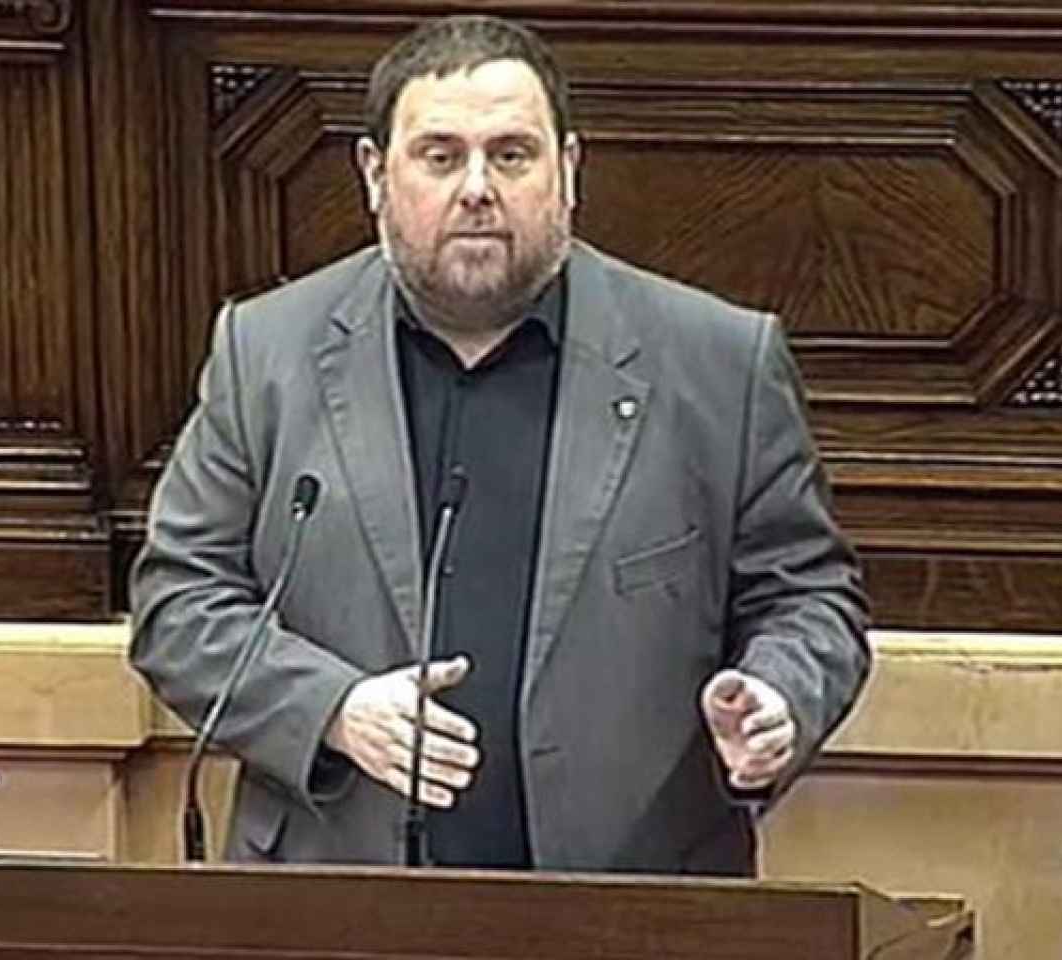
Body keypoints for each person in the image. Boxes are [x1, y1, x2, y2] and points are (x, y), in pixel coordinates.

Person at [129, 14, 869, 875]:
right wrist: (332, 709)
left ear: (569, 170)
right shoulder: (268, 353)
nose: (477, 187)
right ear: (375, 175)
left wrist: (781, 693)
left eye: (511, 154)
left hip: (633, 899)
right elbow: (178, 604)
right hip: (333, 895)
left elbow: (810, 598)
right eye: (439, 156)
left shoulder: (716, 362)